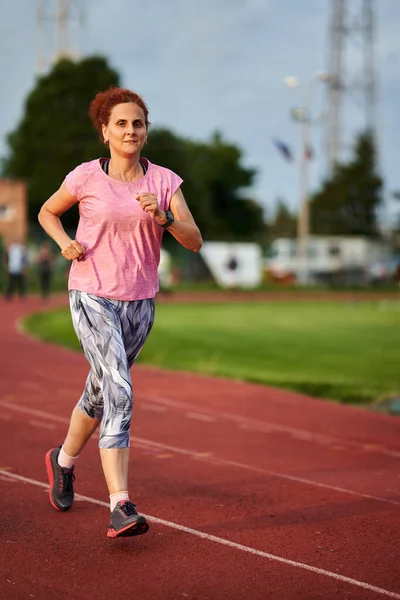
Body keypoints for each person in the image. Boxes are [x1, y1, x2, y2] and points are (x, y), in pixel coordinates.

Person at [38, 87, 203, 538]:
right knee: (120, 390)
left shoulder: (165, 182)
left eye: (138, 123)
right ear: (105, 132)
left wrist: (164, 218)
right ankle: (120, 505)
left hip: (140, 302)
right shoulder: (86, 177)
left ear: (146, 132)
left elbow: (194, 240)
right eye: (122, 124)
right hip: (92, 293)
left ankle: (63, 460)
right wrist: (63, 243)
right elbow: (47, 212)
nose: (131, 130)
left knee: (99, 392)